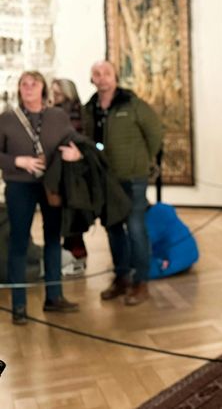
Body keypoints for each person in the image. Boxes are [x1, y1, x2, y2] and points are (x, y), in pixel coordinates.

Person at [0, 71, 83, 325]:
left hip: (51, 185)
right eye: (24, 84)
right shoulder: (7, 118)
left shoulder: (57, 116)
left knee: (53, 239)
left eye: (33, 84)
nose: (28, 88)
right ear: (18, 89)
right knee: (19, 242)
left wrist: (77, 153)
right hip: (18, 186)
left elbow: (76, 142)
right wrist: (17, 161)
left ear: (43, 89)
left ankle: (54, 297)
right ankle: (19, 305)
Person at [83, 61, 163, 306]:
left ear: (115, 77)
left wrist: (144, 161)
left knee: (136, 228)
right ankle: (121, 278)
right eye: (97, 73)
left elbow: (155, 134)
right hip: (105, 181)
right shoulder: (89, 109)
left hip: (133, 178)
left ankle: (141, 282)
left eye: (107, 72)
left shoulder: (134, 105)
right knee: (113, 228)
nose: (102, 77)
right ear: (92, 79)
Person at [51, 78, 87, 274]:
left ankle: (76, 256)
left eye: (58, 93)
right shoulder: (56, 113)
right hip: (59, 170)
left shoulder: (72, 113)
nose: (54, 97)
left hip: (73, 172)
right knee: (65, 215)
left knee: (72, 215)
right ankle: (70, 255)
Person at [146, 202, 199, 279]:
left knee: (139, 270)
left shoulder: (151, 218)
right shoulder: (162, 209)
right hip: (190, 255)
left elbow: (143, 243)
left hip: (174, 261)